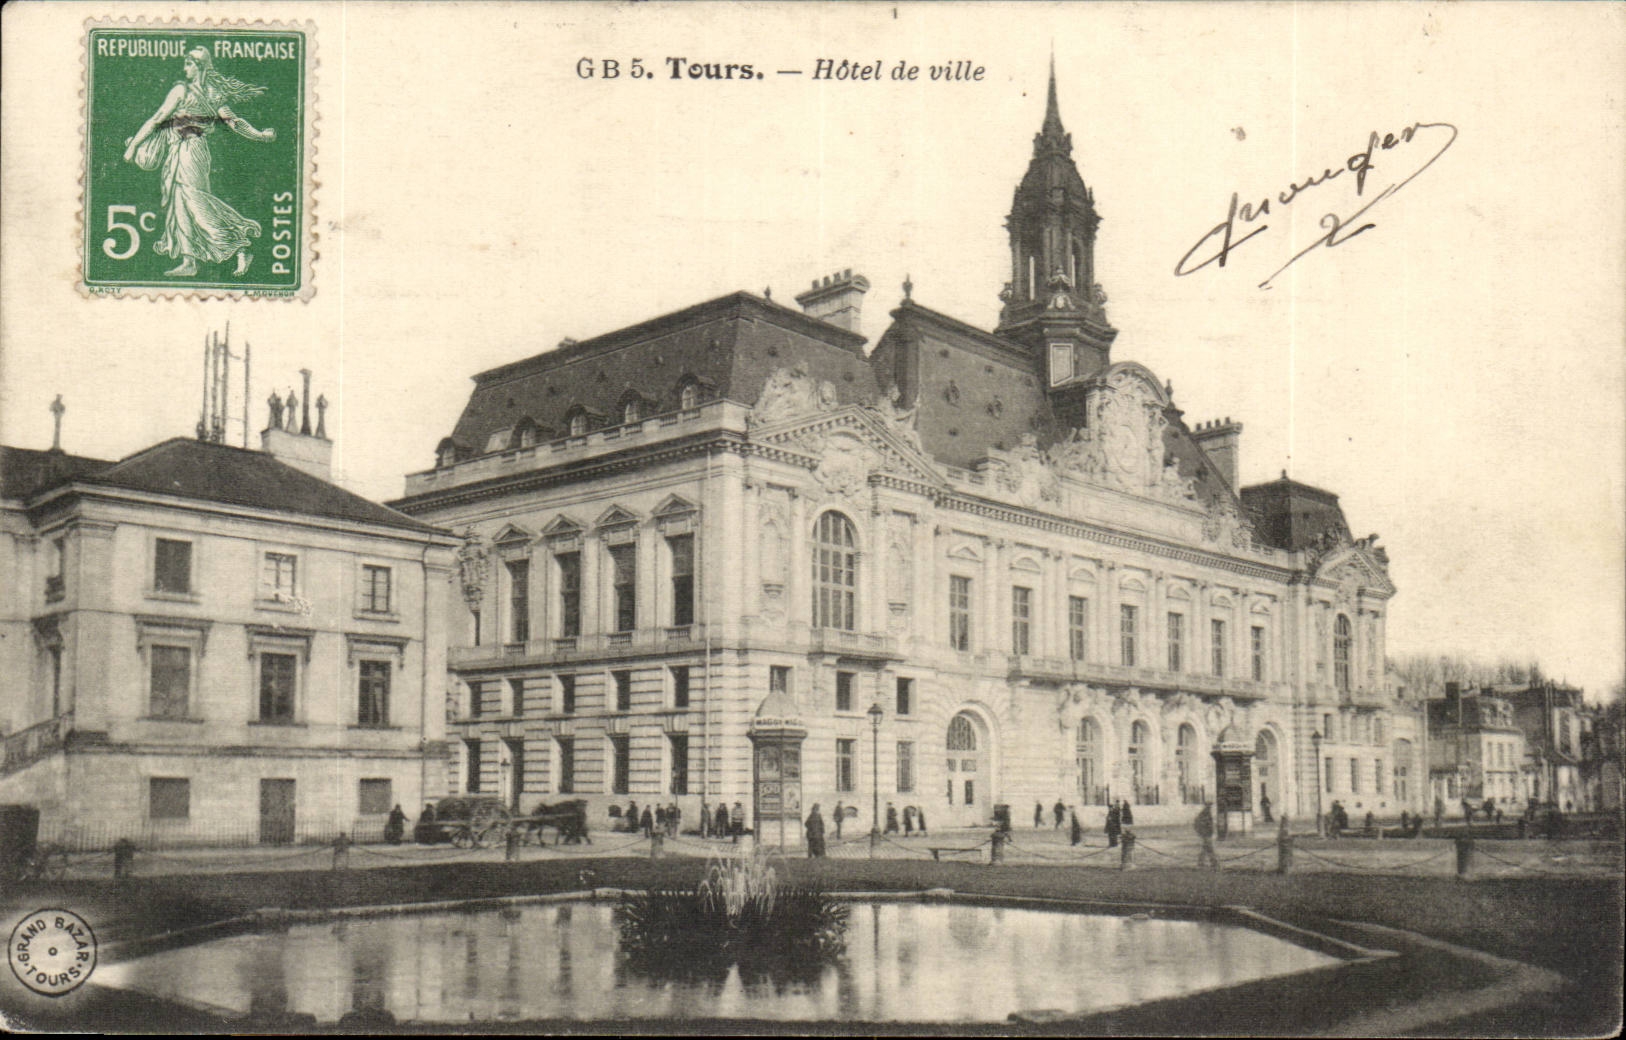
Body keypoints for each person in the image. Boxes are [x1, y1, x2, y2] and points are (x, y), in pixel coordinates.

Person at [122, 48, 275, 277]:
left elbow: (157, 119)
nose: (184, 69)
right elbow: (233, 122)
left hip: (191, 151)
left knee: (195, 201)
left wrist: (134, 145)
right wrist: (260, 135)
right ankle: (189, 261)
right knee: (180, 203)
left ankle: (240, 247)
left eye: (188, 63)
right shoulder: (209, 92)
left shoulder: (185, 91)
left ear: (199, 66)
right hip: (182, 150)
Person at [1194, 802, 1218, 869]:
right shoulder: (1205, 814)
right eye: (1209, 806)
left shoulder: (1206, 813)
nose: (1210, 807)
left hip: (1207, 833)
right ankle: (1214, 863)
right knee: (1209, 848)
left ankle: (1201, 862)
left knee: (1205, 848)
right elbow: (1204, 824)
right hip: (1206, 834)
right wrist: (1203, 832)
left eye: (1210, 806)